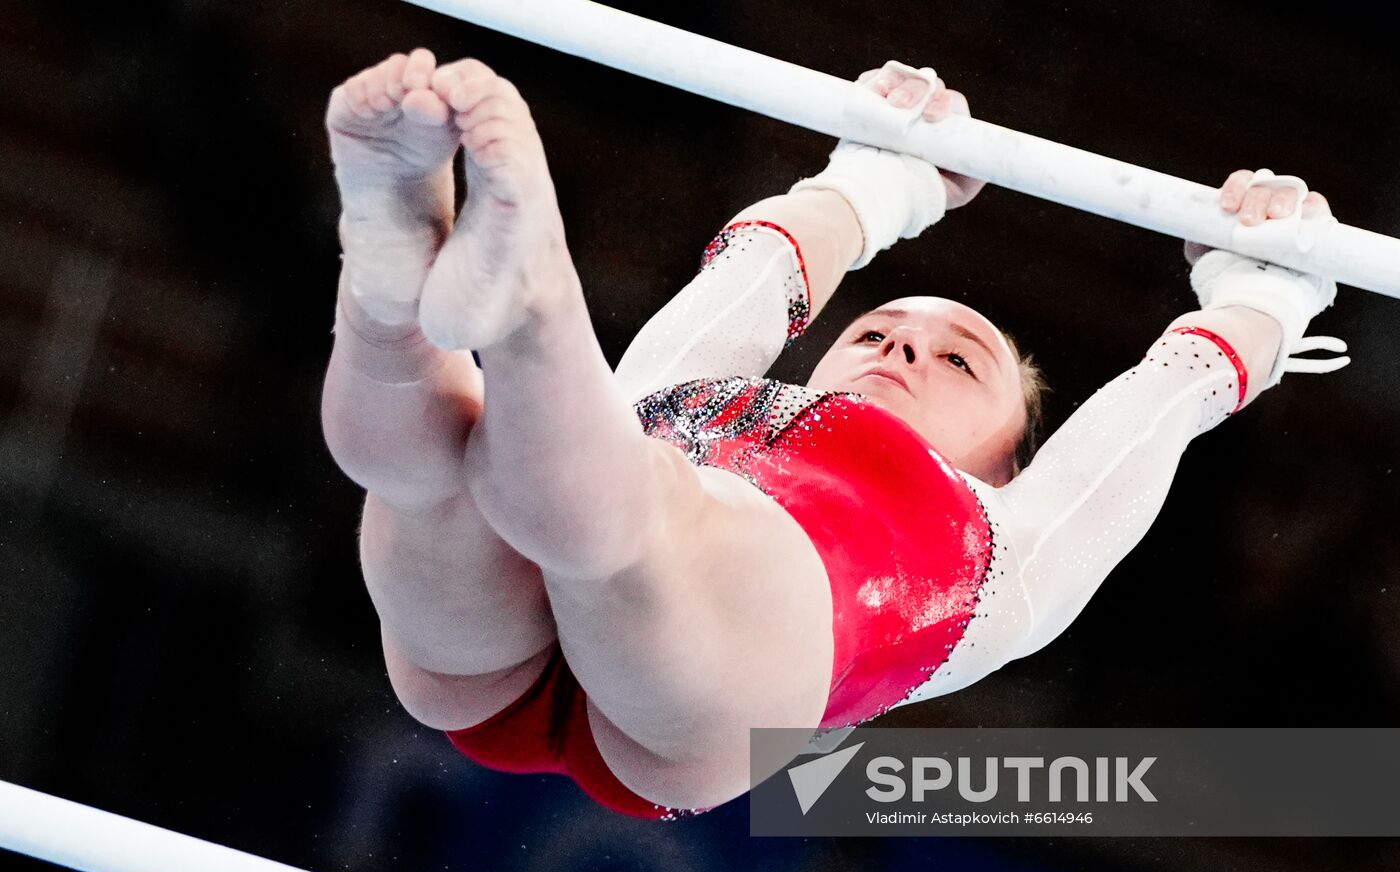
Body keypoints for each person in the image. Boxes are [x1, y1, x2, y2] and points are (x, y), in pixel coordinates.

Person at [320, 49, 1344, 818]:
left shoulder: (1007, 548)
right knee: (441, 463)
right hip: (522, 596)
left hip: (702, 694)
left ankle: (523, 290)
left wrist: (1260, 289)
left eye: (957, 361)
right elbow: (758, 275)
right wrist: (876, 184)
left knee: (632, 490)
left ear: (1008, 459)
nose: (903, 351)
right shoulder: (717, 406)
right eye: (876, 330)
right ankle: (387, 285)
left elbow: (1160, 403)